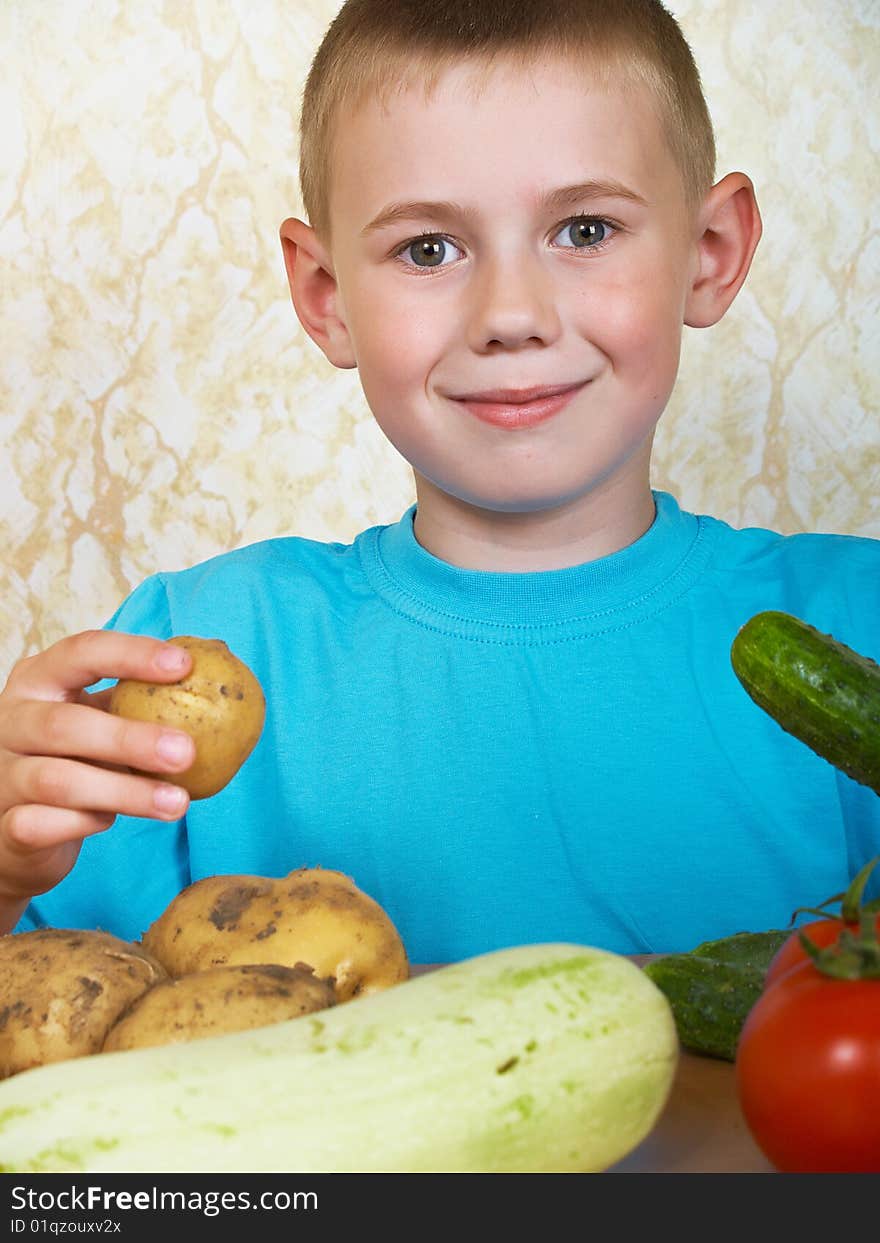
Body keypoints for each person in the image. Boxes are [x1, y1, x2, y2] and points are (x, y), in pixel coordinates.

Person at [1, 0, 878, 964]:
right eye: (429, 249)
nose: (511, 314)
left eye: (585, 230)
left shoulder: (855, 627)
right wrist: (4, 873)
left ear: (710, 254)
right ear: (326, 297)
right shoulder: (189, 645)